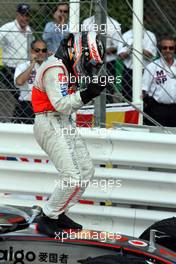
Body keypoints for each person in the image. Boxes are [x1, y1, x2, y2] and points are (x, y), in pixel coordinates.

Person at [32, 31, 106, 237]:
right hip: (49, 121)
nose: (88, 65)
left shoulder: (64, 67)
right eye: (87, 60)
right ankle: (47, 217)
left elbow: (65, 108)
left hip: (61, 121)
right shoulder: (55, 69)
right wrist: (88, 93)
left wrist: (91, 89)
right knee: (73, 176)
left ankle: (59, 211)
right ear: (76, 52)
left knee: (86, 170)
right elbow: (61, 105)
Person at [82, 15, 121, 103]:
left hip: (108, 63)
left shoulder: (113, 24)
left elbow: (117, 46)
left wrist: (101, 51)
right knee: (89, 90)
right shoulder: (87, 22)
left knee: (107, 91)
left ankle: (106, 110)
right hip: (90, 62)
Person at [0, 3, 33, 102]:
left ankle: (18, 118)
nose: (25, 18)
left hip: (24, 70)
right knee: (21, 97)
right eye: (22, 15)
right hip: (9, 70)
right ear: (17, 15)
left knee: (24, 98)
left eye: (27, 15)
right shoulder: (8, 28)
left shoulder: (29, 30)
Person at [142, 36, 176, 127]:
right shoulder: (152, 66)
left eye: (171, 48)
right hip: (158, 109)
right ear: (160, 49)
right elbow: (144, 90)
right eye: (164, 48)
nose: (168, 50)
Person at [13, 40, 48, 124]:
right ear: (32, 51)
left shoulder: (49, 67)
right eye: (37, 50)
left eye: (43, 50)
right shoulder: (23, 66)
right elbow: (19, 82)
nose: (40, 53)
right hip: (27, 105)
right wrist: (32, 64)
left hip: (45, 105)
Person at [118, 28, 157, 101]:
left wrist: (138, 46)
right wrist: (130, 48)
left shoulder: (150, 35)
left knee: (145, 97)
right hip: (129, 70)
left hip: (145, 70)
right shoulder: (126, 35)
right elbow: (121, 56)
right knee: (127, 97)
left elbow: (150, 56)